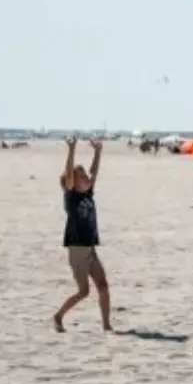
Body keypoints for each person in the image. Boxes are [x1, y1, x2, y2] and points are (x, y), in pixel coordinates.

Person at [54, 138, 113, 333]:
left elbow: (94, 172)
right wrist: (71, 149)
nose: (87, 178)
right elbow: (70, 174)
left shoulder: (88, 194)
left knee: (103, 286)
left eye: (85, 176)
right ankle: (59, 315)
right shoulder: (72, 197)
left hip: (90, 248)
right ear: (72, 181)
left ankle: (106, 325)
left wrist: (98, 151)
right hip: (77, 250)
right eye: (81, 177)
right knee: (84, 291)